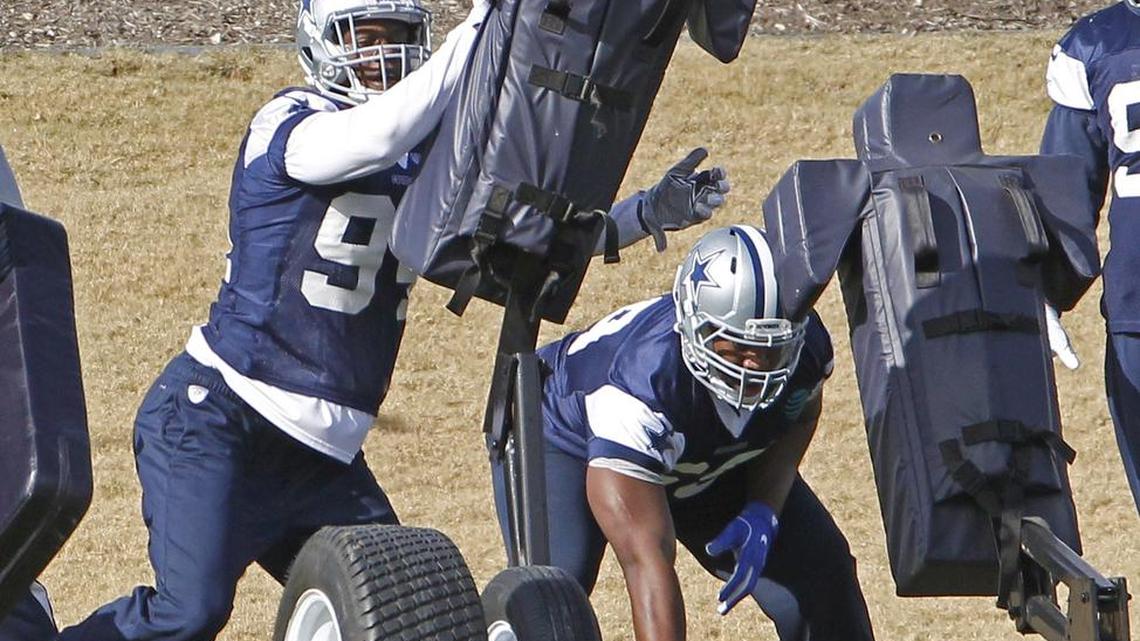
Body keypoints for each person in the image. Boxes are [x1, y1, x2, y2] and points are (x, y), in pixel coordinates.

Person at [52, 0, 727, 638]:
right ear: (318, 40)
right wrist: (479, 37)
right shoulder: (290, 122)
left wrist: (645, 215)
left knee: (416, 620)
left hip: (326, 460)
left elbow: (519, 235)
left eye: (398, 37)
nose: (383, 56)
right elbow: (378, 133)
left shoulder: (422, 149)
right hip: (222, 420)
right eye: (365, 37)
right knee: (187, 612)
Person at [492, 225, 874, 641]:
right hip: (565, 438)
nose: (753, 368)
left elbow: (797, 417)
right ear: (694, 327)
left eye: (768, 349)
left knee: (821, 574)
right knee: (552, 603)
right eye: (736, 347)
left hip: (701, 458)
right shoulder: (641, 384)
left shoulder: (805, 351)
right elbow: (646, 561)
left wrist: (765, 507)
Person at [1040, 0, 1140, 513]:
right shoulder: (1095, 44)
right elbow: (1066, 194)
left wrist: (1047, 288)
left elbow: (1066, 193)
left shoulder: (1100, 43)